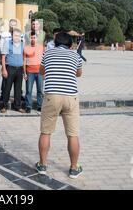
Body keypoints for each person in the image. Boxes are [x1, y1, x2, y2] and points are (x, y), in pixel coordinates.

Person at [36, 32, 83, 179]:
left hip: (51, 96)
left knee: (46, 132)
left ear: (55, 43)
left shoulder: (48, 53)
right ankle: (74, 168)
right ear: (70, 45)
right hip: (71, 97)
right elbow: (79, 73)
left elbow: (41, 71)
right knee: (73, 134)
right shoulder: (75, 55)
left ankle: (42, 165)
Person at [1, 28, 25, 113]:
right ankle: (4, 106)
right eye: (15, 35)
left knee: (18, 89)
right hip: (10, 68)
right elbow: (3, 57)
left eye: (18, 36)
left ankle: (17, 106)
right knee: (7, 88)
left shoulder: (22, 44)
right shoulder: (7, 43)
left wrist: (24, 72)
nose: (17, 37)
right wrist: (4, 69)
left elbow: (24, 58)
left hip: (19, 69)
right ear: (12, 36)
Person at [23, 32, 44, 113]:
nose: (33, 39)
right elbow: (24, 61)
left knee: (40, 90)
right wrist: (24, 73)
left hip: (39, 72)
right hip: (29, 72)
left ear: (37, 38)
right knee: (28, 90)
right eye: (31, 38)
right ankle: (28, 106)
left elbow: (44, 60)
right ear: (29, 38)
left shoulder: (41, 47)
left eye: (34, 37)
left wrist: (44, 72)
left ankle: (39, 106)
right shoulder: (26, 48)